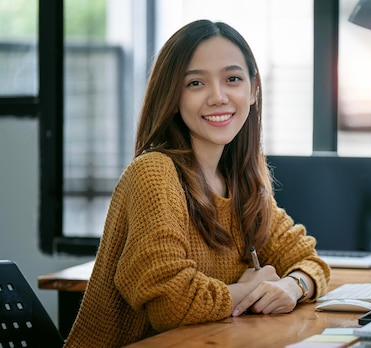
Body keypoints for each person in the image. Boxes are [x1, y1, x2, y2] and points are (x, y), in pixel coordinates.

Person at [63, 19, 331, 347]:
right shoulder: (154, 174)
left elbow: (308, 260)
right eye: (195, 84)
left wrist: (293, 287)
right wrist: (248, 288)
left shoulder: (241, 182)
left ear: (253, 89)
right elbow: (171, 304)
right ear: (173, 95)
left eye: (232, 79)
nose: (218, 97)